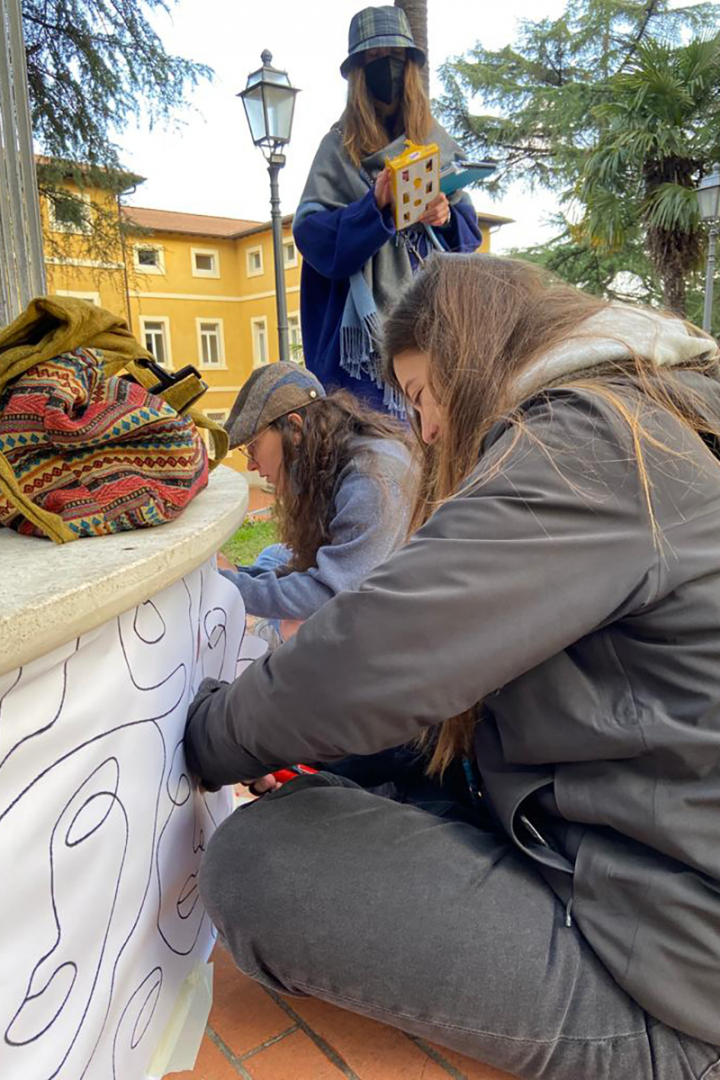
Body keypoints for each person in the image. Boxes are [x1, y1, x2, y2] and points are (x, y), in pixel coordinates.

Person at [186, 253, 720, 1080]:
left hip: (678, 988)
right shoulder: (651, 414)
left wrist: (213, 735)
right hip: (648, 868)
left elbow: (378, 649)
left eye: (426, 396)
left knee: (259, 865)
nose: (426, 430)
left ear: (474, 358)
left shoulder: (597, 441)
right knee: (363, 767)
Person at [293, 5, 482, 414]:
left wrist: (444, 217)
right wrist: (375, 207)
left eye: (396, 57)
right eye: (375, 59)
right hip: (358, 355)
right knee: (371, 455)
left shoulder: (436, 141)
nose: (388, 69)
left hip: (429, 328)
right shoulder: (338, 148)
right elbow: (312, 237)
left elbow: (468, 236)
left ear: (411, 66)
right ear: (359, 72)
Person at [221, 360, 414, 630]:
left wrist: (228, 586)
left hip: (394, 626)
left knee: (293, 628)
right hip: (373, 597)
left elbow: (326, 593)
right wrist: (240, 575)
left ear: (295, 430)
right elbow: (314, 567)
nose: (250, 465)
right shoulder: (335, 459)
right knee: (272, 557)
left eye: (253, 446)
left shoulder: (369, 480)